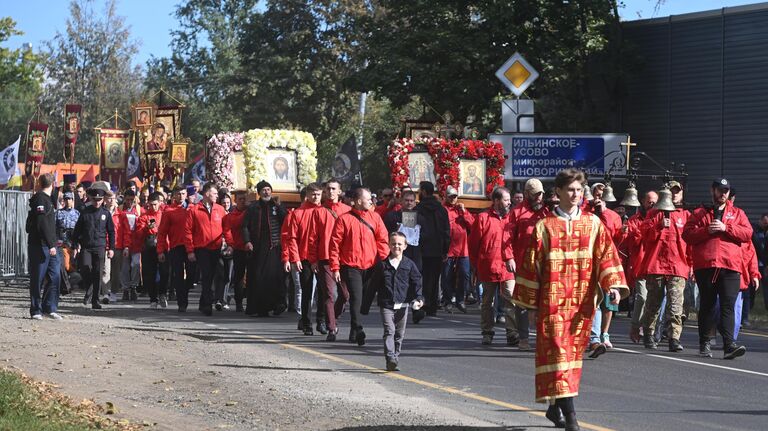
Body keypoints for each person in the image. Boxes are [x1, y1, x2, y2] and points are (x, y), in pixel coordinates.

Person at [512, 168, 628, 431]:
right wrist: (530, 305)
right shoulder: (544, 226)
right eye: (570, 190)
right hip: (551, 304)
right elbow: (531, 266)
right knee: (558, 353)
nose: (576, 195)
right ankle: (572, 419)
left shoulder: (593, 224)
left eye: (579, 190)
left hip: (581, 304)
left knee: (570, 358)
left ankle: (555, 407)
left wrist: (613, 286)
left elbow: (607, 256)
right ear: (558, 192)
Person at [682, 178, 752, 359]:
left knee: (728, 306)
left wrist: (725, 228)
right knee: (707, 305)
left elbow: (747, 233)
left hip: (730, 266)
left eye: (726, 190)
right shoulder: (699, 213)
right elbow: (687, 235)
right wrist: (707, 230)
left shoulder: (738, 213)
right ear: (712, 190)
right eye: (720, 190)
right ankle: (704, 342)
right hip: (706, 266)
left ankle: (729, 345)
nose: (723, 194)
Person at [328, 187, 389, 346]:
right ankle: (358, 328)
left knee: (364, 301)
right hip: (351, 265)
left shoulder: (375, 217)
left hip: (371, 265)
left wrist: (383, 260)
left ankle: (354, 330)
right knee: (356, 297)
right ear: (358, 201)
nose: (371, 201)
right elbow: (334, 246)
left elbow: (383, 240)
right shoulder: (344, 219)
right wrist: (335, 267)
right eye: (368, 198)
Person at [638, 182, 690, 352]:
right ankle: (648, 333)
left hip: (678, 266)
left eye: (677, 191)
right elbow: (644, 236)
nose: (674, 194)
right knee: (653, 303)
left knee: (676, 305)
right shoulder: (654, 214)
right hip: (657, 266)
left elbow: (691, 244)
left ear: (682, 194)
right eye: (671, 192)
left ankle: (674, 338)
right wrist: (658, 226)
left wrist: (692, 265)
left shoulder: (686, 215)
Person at [361, 232, 424, 371]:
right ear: (389, 245)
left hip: (403, 304)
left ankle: (395, 358)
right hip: (387, 304)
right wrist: (365, 306)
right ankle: (390, 357)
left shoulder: (409, 264)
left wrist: (419, 298)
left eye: (400, 244)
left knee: (399, 335)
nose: (396, 246)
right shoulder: (382, 265)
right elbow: (372, 286)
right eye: (394, 243)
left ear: (405, 246)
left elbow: (417, 282)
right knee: (389, 330)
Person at [502, 178, 550, 350]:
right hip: (523, 264)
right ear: (528, 194)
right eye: (535, 194)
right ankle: (523, 337)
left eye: (541, 194)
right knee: (522, 302)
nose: (539, 198)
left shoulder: (548, 211)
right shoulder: (517, 212)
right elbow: (506, 237)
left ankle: (543, 337)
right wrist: (509, 258)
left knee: (545, 301)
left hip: (545, 264)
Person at [469, 187, 517, 345]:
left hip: (507, 267)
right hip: (488, 266)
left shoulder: (512, 218)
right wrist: (475, 265)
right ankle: (487, 332)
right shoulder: (483, 217)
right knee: (487, 302)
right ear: (496, 201)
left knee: (511, 299)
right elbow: (474, 243)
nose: (509, 202)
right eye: (506, 199)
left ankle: (512, 332)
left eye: (509, 199)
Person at [308, 180, 352, 341]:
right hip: (325, 257)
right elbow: (313, 238)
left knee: (345, 294)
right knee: (329, 294)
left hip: (343, 258)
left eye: (334, 189)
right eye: (328, 189)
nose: (331, 191)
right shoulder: (319, 212)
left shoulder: (348, 211)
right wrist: (313, 260)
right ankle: (332, 328)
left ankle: (334, 316)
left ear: (339, 191)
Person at [586, 182, 625, 351]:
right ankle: (593, 337)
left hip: (608, 261)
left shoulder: (612, 215)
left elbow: (613, 237)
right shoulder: (585, 213)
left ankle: (604, 333)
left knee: (609, 302)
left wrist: (603, 213)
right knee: (593, 300)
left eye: (602, 194)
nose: (599, 196)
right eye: (596, 193)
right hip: (588, 262)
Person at [242, 180, 288, 316]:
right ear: (259, 193)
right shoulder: (253, 207)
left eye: (268, 189)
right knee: (258, 277)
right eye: (263, 190)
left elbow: (286, 221)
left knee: (275, 277)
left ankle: (277, 304)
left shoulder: (277, 205)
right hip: (257, 247)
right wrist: (247, 241)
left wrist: (279, 207)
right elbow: (245, 226)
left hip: (274, 246)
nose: (266, 192)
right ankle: (260, 307)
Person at [284, 184, 324, 334]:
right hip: (304, 258)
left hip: (321, 258)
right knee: (306, 291)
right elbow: (291, 238)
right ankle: (306, 322)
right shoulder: (298, 213)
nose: (315, 197)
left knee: (323, 291)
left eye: (318, 194)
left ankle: (321, 320)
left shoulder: (325, 212)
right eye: (313, 194)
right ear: (307, 194)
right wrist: (295, 258)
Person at [184, 182, 227, 316]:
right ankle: (207, 304)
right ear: (207, 194)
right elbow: (187, 231)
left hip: (216, 247)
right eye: (214, 193)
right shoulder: (194, 210)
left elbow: (226, 228)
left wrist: (229, 243)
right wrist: (190, 250)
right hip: (201, 248)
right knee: (207, 275)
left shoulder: (220, 209)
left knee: (216, 275)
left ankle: (203, 303)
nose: (216, 196)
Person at [72, 188, 116, 310]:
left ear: (103, 200)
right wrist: (75, 245)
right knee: (86, 268)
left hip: (100, 247)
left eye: (100, 200)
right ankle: (89, 287)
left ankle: (95, 300)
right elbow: (77, 231)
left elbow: (111, 232)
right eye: (95, 200)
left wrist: (111, 248)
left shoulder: (106, 213)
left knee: (97, 273)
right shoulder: (85, 212)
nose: (97, 202)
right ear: (91, 199)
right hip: (87, 246)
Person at [26, 173, 61, 320]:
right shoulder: (40, 199)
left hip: (51, 246)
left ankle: (49, 307)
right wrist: (50, 243)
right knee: (38, 279)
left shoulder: (48, 199)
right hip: (40, 245)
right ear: (52, 184)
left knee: (55, 277)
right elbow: (41, 224)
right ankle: (36, 310)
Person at [626, 191, 658, 343]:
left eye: (655, 201)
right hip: (640, 265)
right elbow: (633, 241)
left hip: (656, 266)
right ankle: (635, 326)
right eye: (649, 201)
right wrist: (648, 228)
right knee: (643, 297)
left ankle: (649, 329)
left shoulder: (660, 218)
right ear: (643, 202)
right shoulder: (634, 220)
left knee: (656, 301)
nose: (651, 204)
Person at [158, 187, 195, 312]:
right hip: (176, 246)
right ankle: (182, 302)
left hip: (191, 246)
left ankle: (186, 289)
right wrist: (161, 250)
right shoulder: (169, 211)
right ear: (174, 195)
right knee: (178, 275)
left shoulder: (192, 209)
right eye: (178, 194)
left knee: (192, 274)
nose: (181, 196)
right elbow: (162, 232)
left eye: (183, 193)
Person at [415, 181, 450, 316]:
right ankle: (432, 306)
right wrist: (445, 250)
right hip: (437, 249)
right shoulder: (441, 210)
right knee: (434, 279)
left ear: (423, 192)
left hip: (421, 249)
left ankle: (422, 304)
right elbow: (446, 231)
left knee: (421, 278)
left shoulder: (418, 209)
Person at [442, 186, 474, 313]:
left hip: (462, 249)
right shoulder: (443, 210)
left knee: (465, 274)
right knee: (446, 275)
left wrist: (464, 212)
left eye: (455, 196)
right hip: (448, 249)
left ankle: (460, 299)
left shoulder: (461, 210)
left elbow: (472, 225)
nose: (453, 199)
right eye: (451, 196)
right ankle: (448, 300)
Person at [136, 192, 168, 309]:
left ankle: (162, 293)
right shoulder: (144, 217)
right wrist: (145, 229)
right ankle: (153, 298)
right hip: (149, 246)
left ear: (159, 203)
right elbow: (138, 234)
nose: (153, 207)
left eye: (155, 204)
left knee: (165, 272)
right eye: (151, 205)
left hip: (163, 244)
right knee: (150, 274)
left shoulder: (164, 214)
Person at [383, 190, 425, 271]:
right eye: (406, 200)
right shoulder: (392, 216)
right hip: (397, 254)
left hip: (415, 255)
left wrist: (417, 233)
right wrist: (395, 231)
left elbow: (426, 235)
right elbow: (385, 234)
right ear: (401, 201)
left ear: (415, 202)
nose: (409, 203)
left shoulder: (420, 218)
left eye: (411, 201)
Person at [222, 191, 249, 312]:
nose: (242, 201)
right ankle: (239, 302)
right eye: (240, 199)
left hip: (250, 248)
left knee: (252, 276)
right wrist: (231, 244)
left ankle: (251, 300)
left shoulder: (250, 212)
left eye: (244, 199)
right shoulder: (231, 216)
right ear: (236, 200)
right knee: (238, 276)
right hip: (238, 248)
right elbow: (227, 231)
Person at [119, 189, 141, 301]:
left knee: (136, 265)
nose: (129, 202)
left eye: (132, 200)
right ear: (124, 199)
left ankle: (133, 287)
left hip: (136, 244)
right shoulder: (120, 210)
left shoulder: (139, 211)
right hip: (123, 243)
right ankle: (125, 289)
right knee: (124, 267)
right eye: (127, 199)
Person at [748, 213, 768, 317]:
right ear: (760, 221)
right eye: (764, 223)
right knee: (751, 288)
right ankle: (749, 308)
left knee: (765, 287)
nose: (766, 225)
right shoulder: (754, 230)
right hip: (754, 263)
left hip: (764, 264)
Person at [55, 191, 79, 275]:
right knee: (65, 265)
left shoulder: (77, 213)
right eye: (66, 199)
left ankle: (72, 282)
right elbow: (55, 228)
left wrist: (78, 245)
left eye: (69, 199)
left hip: (73, 242)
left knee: (73, 264)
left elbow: (79, 229)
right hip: (62, 243)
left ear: (72, 200)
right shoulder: (58, 213)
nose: (68, 201)